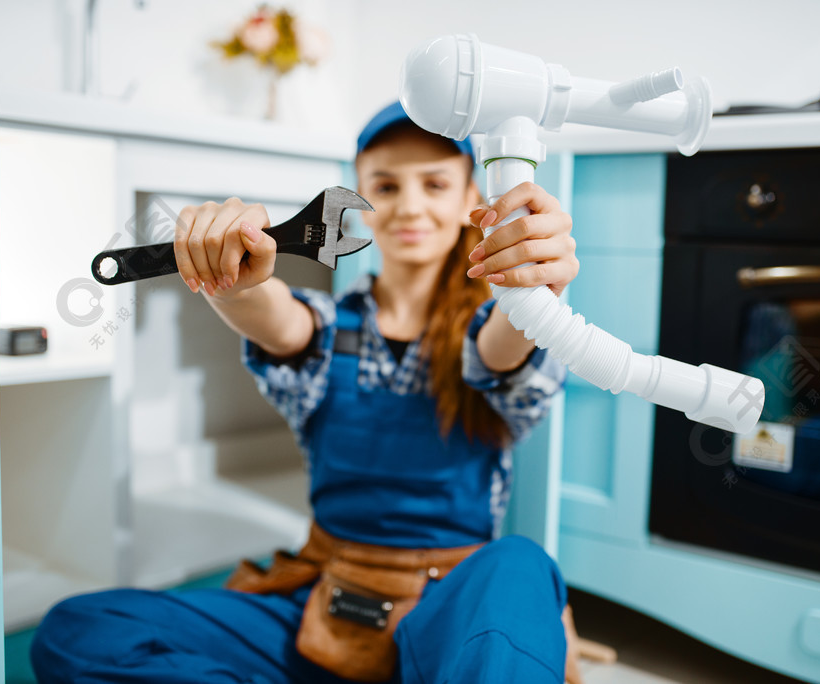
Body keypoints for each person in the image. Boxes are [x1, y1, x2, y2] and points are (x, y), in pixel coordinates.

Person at [31, 101, 581, 683]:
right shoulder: (328, 328)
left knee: (520, 567)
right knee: (81, 631)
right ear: (360, 198)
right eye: (387, 185)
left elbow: (500, 347)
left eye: (436, 183)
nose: (410, 205)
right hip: (327, 596)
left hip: (455, 612)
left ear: (471, 195)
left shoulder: (492, 328)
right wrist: (235, 286)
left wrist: (533, 293)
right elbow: (281, 320)